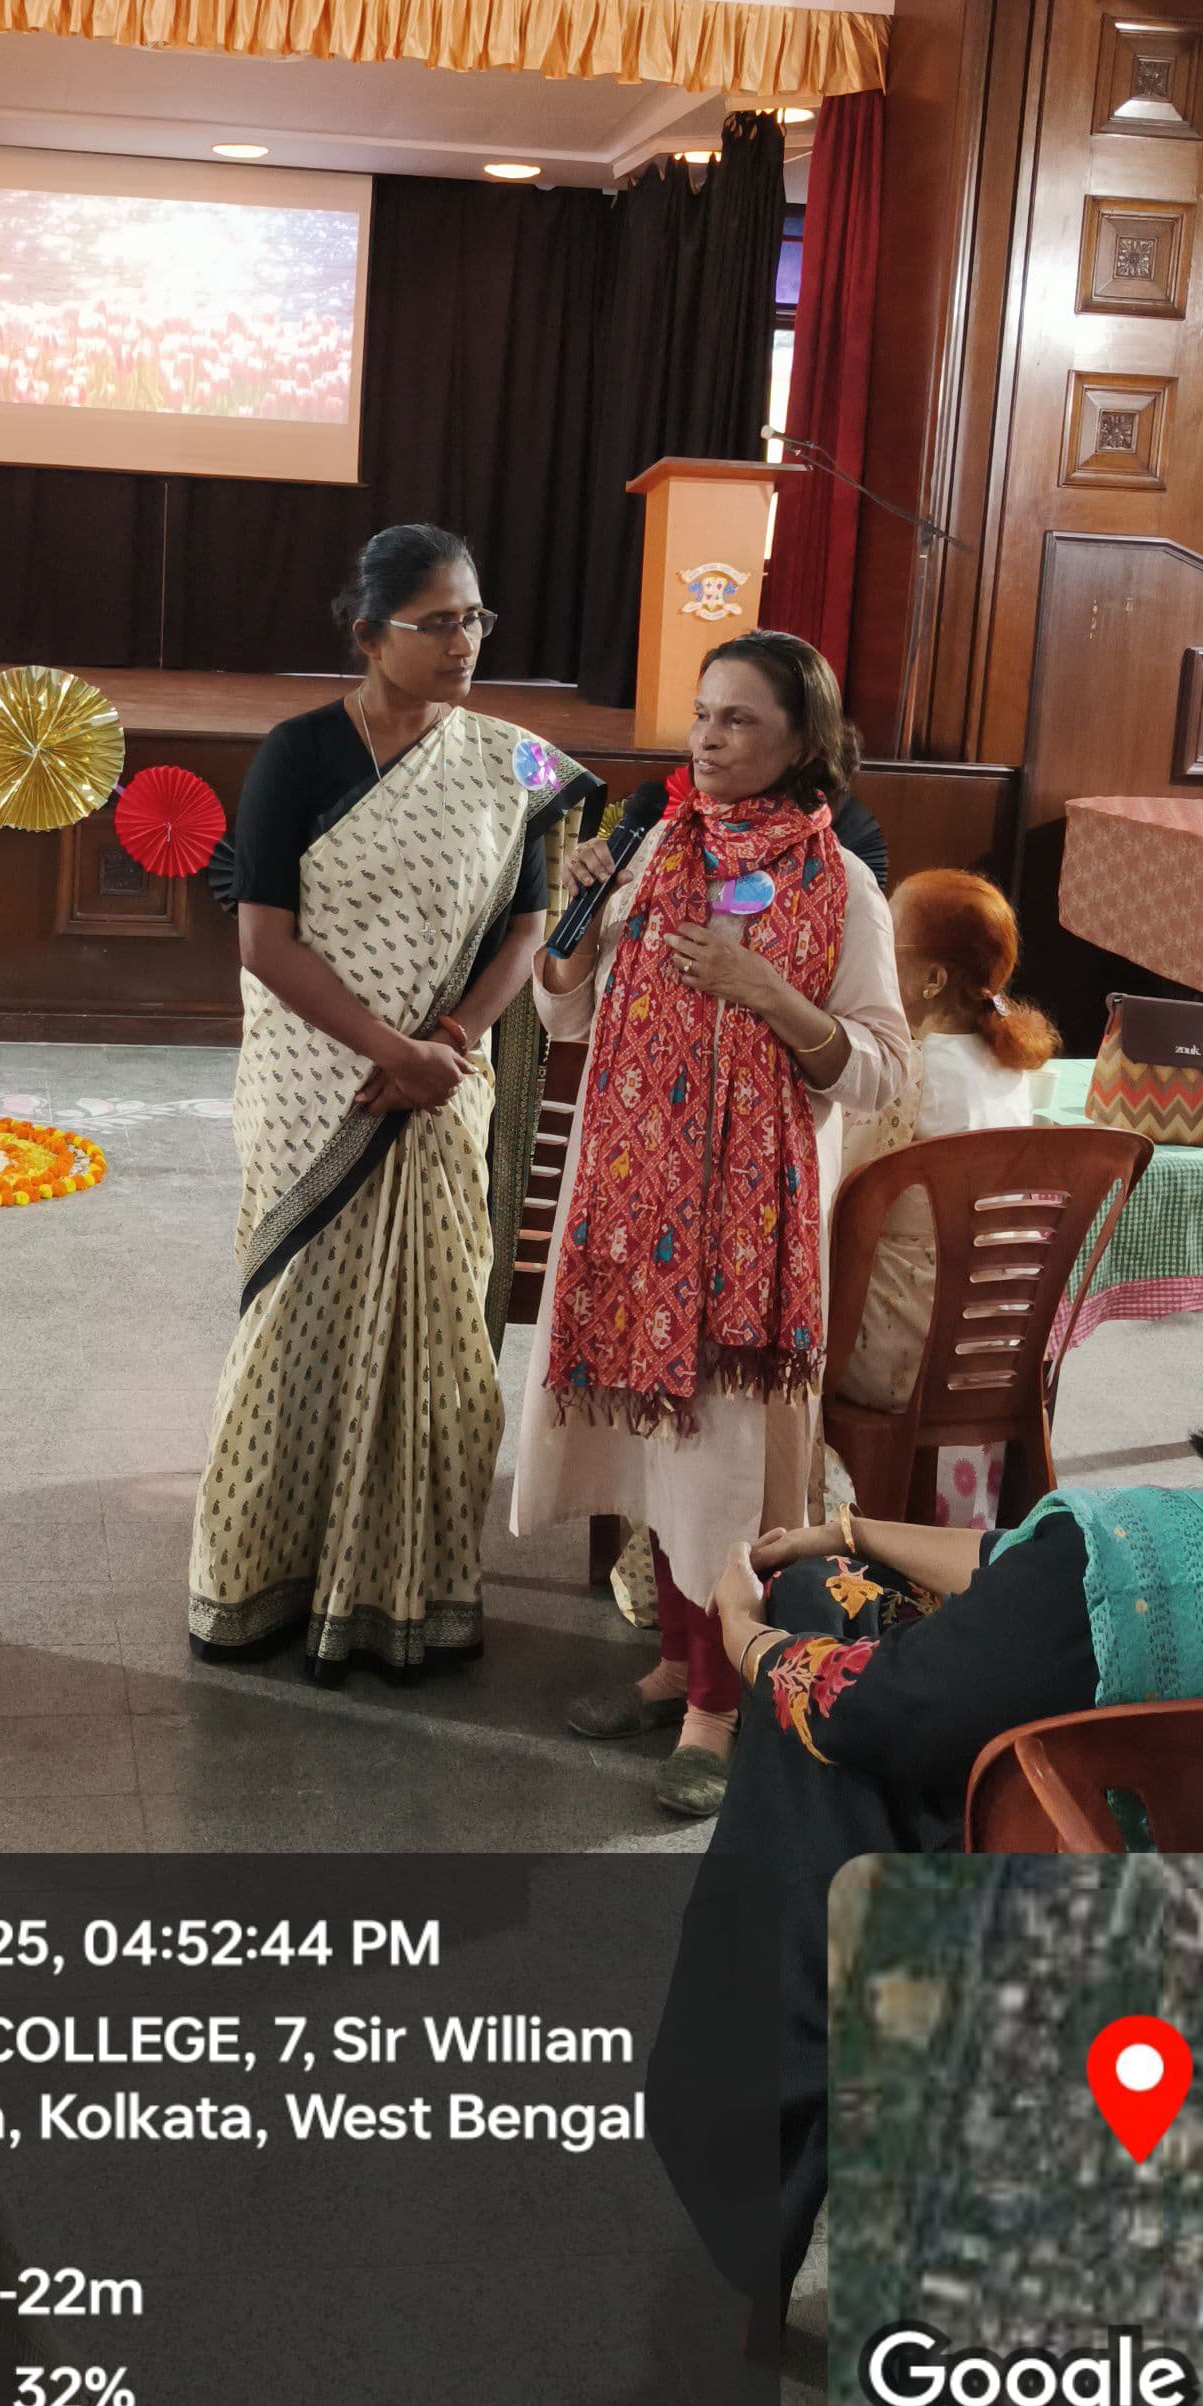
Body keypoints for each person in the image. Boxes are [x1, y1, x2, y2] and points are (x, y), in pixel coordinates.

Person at [667, 1160, 1203, 2308]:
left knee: (821, 1695)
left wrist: (748, 1641)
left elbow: (891, 1710)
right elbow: (1038, 1585)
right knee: (841, 1594)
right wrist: (854, 1533)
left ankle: (756, 2150)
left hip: (1076, 2010)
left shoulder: (1158, 1565)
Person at [511, 630, 910, 1819]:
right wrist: (575, 921)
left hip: (746, 1235)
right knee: (659, 1454)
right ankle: (676, 1662)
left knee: (725, 1465)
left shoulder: (842, 883)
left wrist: (773, 996)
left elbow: (881, 1070)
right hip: (635, 1205)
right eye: (702, 713)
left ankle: (718, 1709)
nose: (708, 738)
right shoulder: (651, 850)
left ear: (803, 741)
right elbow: (563, 1017)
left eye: (740, 720)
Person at [187, 525, 581, 1681]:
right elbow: (265, 939)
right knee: (292, 1319)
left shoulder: (507, 765)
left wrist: (448, 1042)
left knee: (438, 1339)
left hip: (445, 1087)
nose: (465, 642)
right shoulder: (299, 754)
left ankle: (407, 1594)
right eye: (439, 622)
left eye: (475, 619)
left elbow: (527, 924)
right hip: (319, 1085)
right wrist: (388, 1051)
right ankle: (258, 1581)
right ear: (368, 634)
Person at [827, 868, 1060, 1526]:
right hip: (997, 1347)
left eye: (882, 945)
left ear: (931, 979)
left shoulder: (906, 1072)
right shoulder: (1012, 1067)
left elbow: (838, 1194)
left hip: (897, 1355)